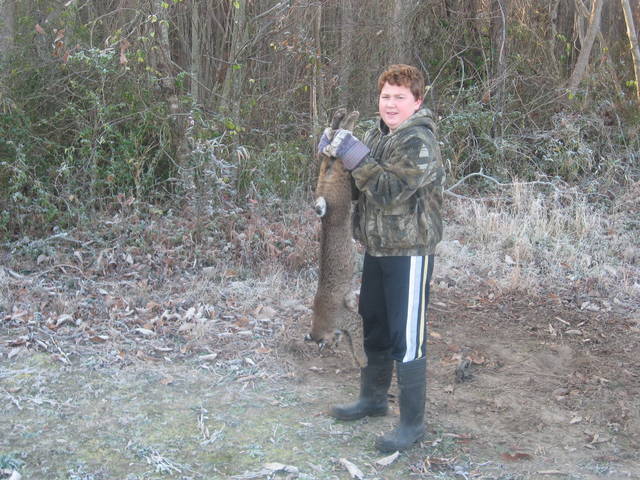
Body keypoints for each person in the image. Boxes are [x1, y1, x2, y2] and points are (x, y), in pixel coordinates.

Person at [319, 64, 445, 452]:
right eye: (386, 96)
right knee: (374, 326)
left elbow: (389, 191)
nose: (391, 104)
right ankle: (373, 400)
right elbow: (361, 190)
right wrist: (334, 161)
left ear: (417, 101)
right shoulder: (379, 136)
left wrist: (356, 157)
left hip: (410, 252)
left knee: (406, 338)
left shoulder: (419, 142)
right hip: (375, 249)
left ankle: (412, 424)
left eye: (400, 97)